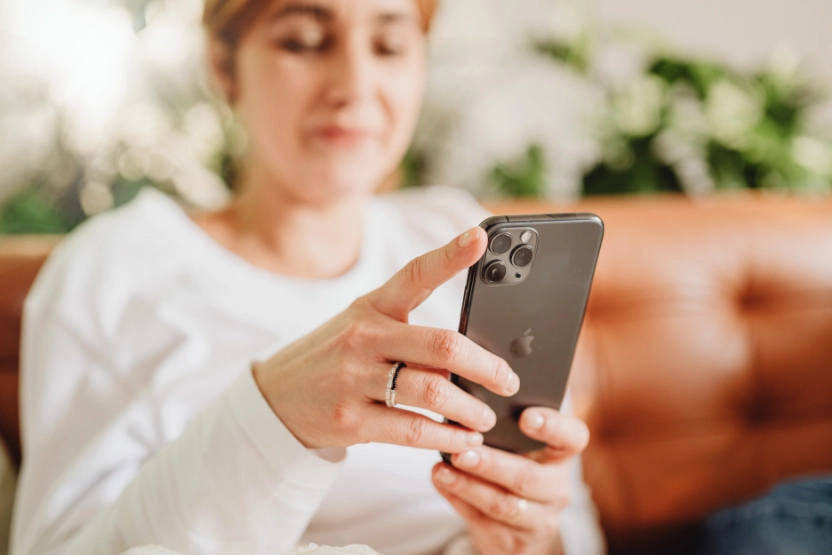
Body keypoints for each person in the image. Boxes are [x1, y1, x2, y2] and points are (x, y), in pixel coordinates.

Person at [10, 1, 605, 554]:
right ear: (224, 66)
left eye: (390, 47)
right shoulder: (111, 270)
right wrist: (276, 416)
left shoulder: (457, 235)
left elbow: (565, 516)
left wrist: (525, 538)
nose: (354, 86)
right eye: (304, 41)